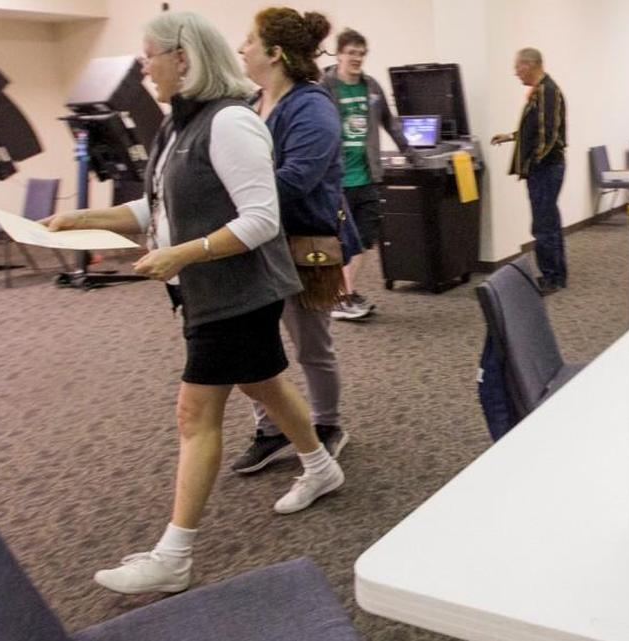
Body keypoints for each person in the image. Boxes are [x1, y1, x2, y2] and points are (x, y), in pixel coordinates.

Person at [44, 11, 344, 594]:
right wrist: (83, 217)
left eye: (149, 53)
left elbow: (261, 218)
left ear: (183, 57)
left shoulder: (229, 122)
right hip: (210, 288)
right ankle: (321, 465)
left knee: (195, 414)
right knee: (264, 383)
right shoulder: (176, 126)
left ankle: (175, 555)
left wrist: (183, 254)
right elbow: (155, 208)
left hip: (240, 290)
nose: (142, 65)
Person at [230, 7, 349, 474]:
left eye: (249, 40)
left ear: (275, 53)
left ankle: (326, 425)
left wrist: (231, 198)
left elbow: (296, 179)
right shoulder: (247, 103)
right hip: (251, 242)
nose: (241, 48)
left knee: (311, 346)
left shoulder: (313, 107)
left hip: (302, 243)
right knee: (252, 344)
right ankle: (271, 428)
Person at [322, 28, 419, 320]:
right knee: (338, 241)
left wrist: (409, 152)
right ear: (339, 54)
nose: (357, 58)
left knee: (364, 238)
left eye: (361, 53)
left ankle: (345, 293)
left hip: (367, 177)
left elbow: (389, 122)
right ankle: (341, 295)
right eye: (351, 52)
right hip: (336, 179)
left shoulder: (372, 87)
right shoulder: (324, 88)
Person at [491, 47, 568, 293]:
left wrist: (533, 162)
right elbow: (536, 129)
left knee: (543, 225)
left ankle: (551, 277)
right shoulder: (540, 92)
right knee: (549, 222)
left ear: (530, 65)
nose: (515, 73)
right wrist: (512, 136)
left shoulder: (548, 91)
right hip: (544, 168)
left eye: (517, 67)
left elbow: (549, 135)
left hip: (546, 169)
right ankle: (557, 273)